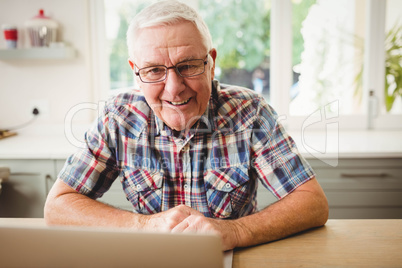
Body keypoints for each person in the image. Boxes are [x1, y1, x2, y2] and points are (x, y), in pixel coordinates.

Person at [44, 0, 328, 251]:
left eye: (188, 65)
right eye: (154, 70)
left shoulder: (250, 113)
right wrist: (144, 226)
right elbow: (58, 206)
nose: (174, 88)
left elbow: (312, 203)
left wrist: (236, 231)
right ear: (136, 73)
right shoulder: (118, 117)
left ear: (211, 63)